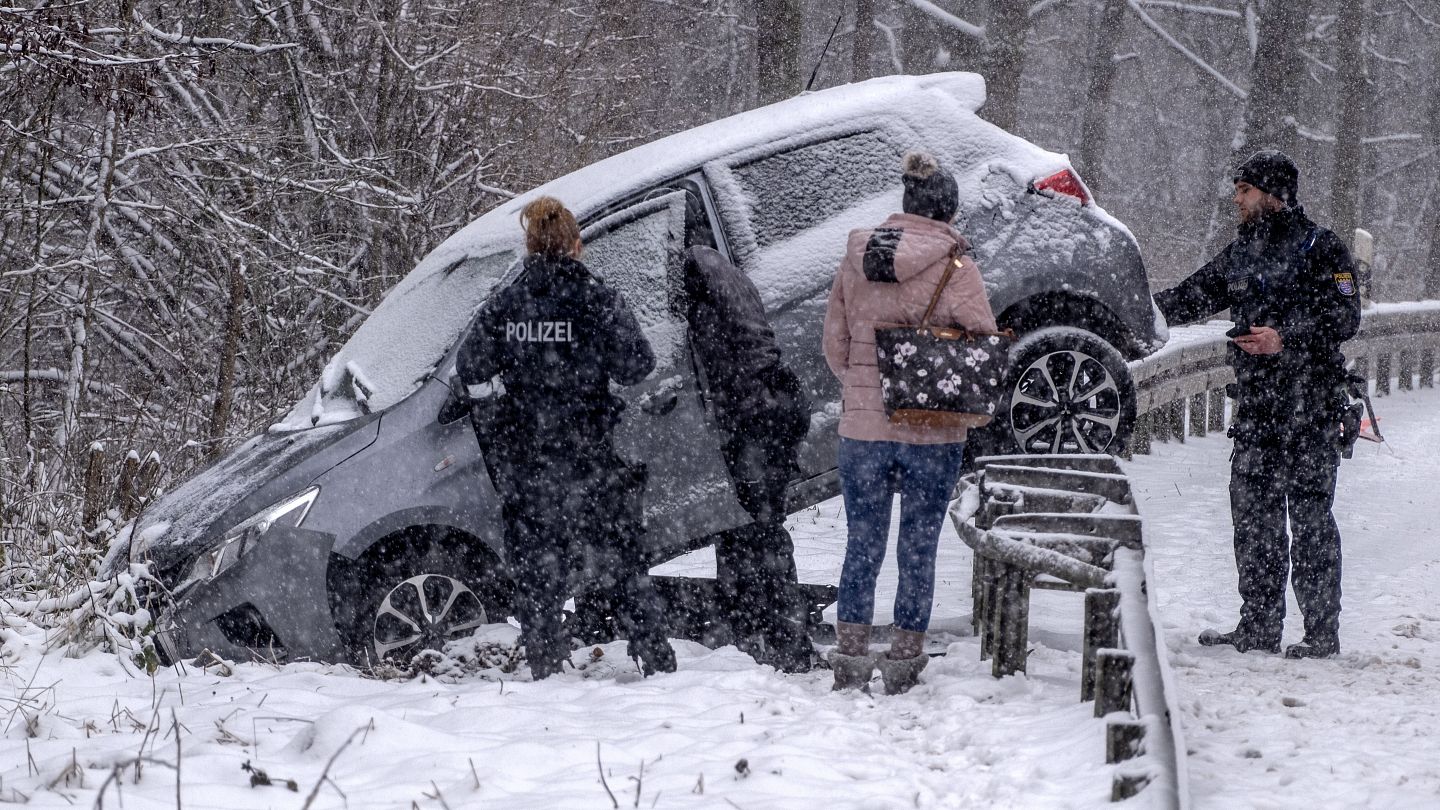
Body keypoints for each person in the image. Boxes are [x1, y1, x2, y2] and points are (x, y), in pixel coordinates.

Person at [456, 196, 677, 679]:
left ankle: (546, 671)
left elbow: (469, 366)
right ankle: (657, 665)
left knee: (539, 580)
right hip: (592, 458)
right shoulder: (598, 298)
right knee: (623, 569)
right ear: (577, 246)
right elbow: (638, 363)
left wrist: (502, 409)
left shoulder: (507, 304)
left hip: (531, 463)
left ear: (529, 248)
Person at [1153, 149, 1361, 660]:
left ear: (1270, 193)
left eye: (1244, 190)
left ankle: (1320, 633)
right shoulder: (1242, 251)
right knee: (1254, 521)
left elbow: (1346, 317)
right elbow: (1190, 297)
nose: (1237, 199)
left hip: (1311, 406)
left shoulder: (1322, 247)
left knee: (1311, 519)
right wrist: (1132, 311)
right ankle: (1259, 626)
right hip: (1258, 410)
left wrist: (1284, 338)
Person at [822, 151, 998, 693]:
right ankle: (903, 656)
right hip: (932, 429)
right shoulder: (957, 266)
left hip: (864, 428)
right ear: (948, 213)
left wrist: (864, 390)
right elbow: (982, 344)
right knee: (917, 543)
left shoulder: (855, 257)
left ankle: (850, 653)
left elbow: (835, 343)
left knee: (862, 539)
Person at [681, 202, 814, 674]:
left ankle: (779, 642)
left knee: (757, 531)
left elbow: (721, 372)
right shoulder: (730, 279)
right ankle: (764, 636)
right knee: (754, 529)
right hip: (773, 411)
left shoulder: (702, 290)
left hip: (754, 421)